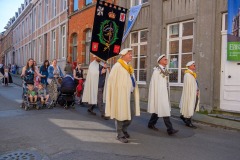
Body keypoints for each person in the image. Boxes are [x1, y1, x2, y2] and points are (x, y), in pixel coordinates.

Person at [105, 48, 140, 143]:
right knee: (120, 113)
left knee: (131, 113)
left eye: (131, 54)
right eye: (129, 54)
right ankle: (119, 134)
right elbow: (111, 81)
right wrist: (116, 92)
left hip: (130, 93)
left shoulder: (128, 66)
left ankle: (124, 129)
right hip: (121, 94)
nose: (131, 56)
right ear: (123, 55)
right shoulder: (117, 66)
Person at [147, 54, 178, 135]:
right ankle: (170, 130)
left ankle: (151, 124)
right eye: (164, 59)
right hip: (160, 94)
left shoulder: (164, 70)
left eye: (166, 59)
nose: (166, 60)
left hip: (164, 93)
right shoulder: (157, 71)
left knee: (158, 110)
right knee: (164, 110)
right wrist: (157, 95)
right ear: (160, 61)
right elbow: (154, 84)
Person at [179, 61, 200, 129]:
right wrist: (193, 92)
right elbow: (188, 87)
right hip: (190, 94)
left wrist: (197, 90)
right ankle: (188, 121)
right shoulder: (188, 75)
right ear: (190, 66)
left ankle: (184, 117)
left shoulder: (191, 74)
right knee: (191, 106)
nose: (195, 67)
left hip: (194, 93)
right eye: (193, 65)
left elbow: (193, 84)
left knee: (193, 106)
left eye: (195, 65)